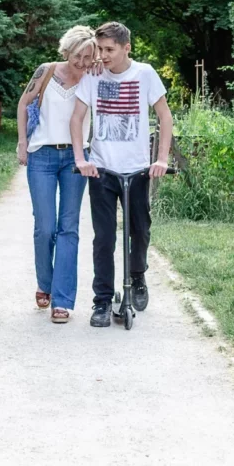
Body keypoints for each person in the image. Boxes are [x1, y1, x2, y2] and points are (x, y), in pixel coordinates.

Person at [69, 21, 173, 328]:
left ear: (127, 48)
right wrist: (81, 158)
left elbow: (165, 117)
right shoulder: (92, 77)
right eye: (100, 49)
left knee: (139, 230)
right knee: (103, 239)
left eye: (109, 50)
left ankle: (137, 275)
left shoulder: (145, 74)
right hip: (102, 171)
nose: (102, 56)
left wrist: (162, 159)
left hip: (137, 170)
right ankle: (102, 301)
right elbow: (77, 120)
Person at [16, 26, 98, 324]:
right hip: (43, 155)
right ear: (67, 51)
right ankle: (44, 282)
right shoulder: (46, 72)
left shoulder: (93, 78)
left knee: (69, 227)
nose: (83, 62)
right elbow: (24, 104)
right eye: (79, 55)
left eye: (89, 57)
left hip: (76, 158)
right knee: (45, 227)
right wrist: (23, 143)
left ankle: (62, 301)